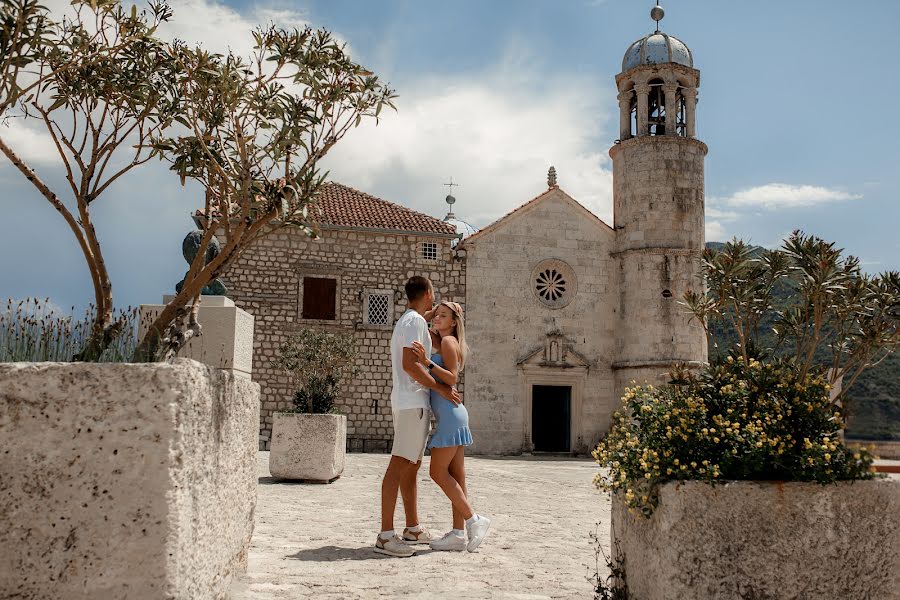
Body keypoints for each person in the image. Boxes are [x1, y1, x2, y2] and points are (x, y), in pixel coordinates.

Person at [375, 276, 461, 557]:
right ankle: (386, 536)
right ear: (427, 293)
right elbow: (410, 365)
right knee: (399, 464)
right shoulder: (413, 322)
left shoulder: (411, 320)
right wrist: (441, 388)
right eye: (433, 294)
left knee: (411, 465)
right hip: (413, 402)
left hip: (409, 402)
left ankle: (411, 527)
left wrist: (431, 314)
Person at [412, 301, 491, 552]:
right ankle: (458, 535)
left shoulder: (448, 342)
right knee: (457, 476)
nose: (437, 318)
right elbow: (421, 322)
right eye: (437, 315)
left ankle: (473, 520)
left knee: (437, 472)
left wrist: (427, 362)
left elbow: (453, 377)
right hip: (454, 413)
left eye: (443, 316)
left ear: (454, 322)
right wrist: (433, 313)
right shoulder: (443, 338)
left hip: (449, 415)